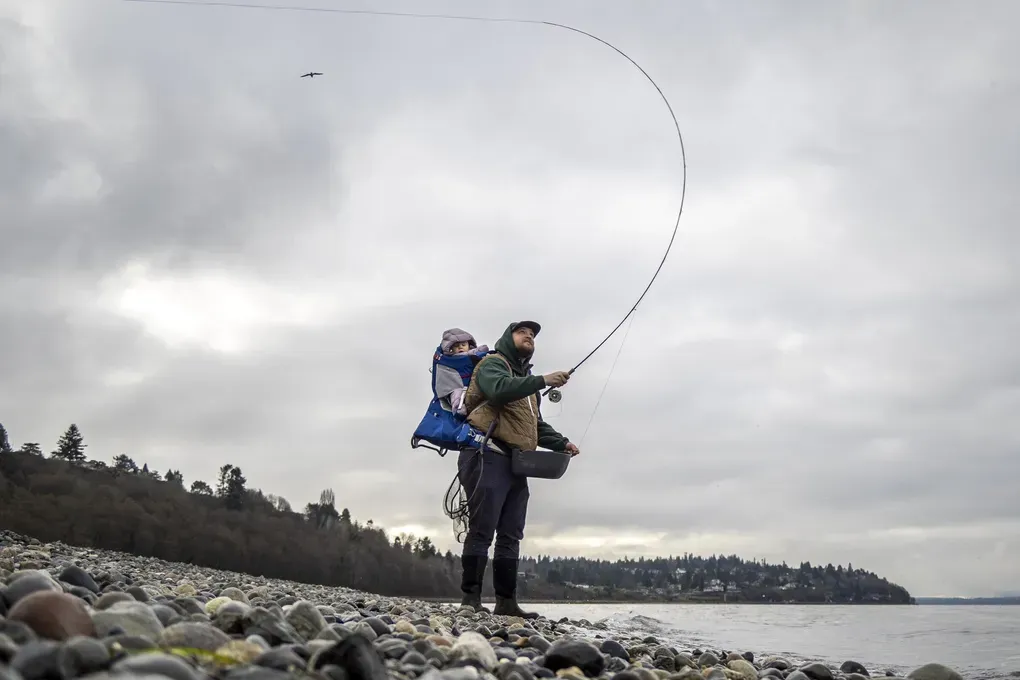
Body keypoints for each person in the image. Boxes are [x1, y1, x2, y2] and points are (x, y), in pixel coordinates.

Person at [457, 320, 579, 618]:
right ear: (508, 338)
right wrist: (542, 379)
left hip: (516, 462)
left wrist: (561, 443)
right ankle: (470, 600)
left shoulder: (528, 388)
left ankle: (506, 602)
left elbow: (534, 426)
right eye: (523, 331)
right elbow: (498, 391)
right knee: (483, 528)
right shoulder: (491, 364)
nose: (529, 336)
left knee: (511, 533)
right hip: (485, 453)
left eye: (533, 334)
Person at [436, 328, 489, 415]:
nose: (460, 347)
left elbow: (481, 351)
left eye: (463, 344)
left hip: (473, 384)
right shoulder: (449, 360)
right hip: (456, 386)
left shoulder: (473, 354)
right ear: (450, 348)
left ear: (469, 345)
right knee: (456, 394)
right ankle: (458, 408)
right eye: (456, 346)